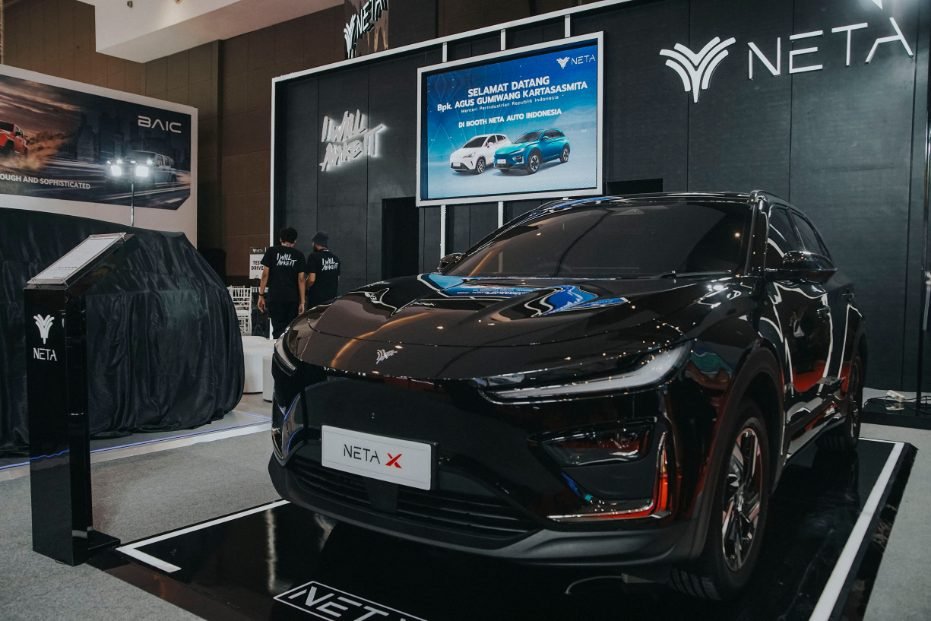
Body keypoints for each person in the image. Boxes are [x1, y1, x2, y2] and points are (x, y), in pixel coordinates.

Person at [258, 227, 306, 338]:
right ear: (295, 241)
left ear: (280, 239)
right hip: (292, 298)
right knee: (290, 330)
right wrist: (302, 302)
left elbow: (265, 274)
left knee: (277, 329)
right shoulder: (299, 255)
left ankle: (277, 347)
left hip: (275, 297)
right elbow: (301, 279)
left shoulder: (271, 251)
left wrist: (261, 295)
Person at [306, 231, 341, 308]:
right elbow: (337, 279)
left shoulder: (313, 257)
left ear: (316, 243)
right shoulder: (336, 258)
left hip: (316, 299)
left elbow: (311, 279)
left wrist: (305, 287)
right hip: (331, 299)